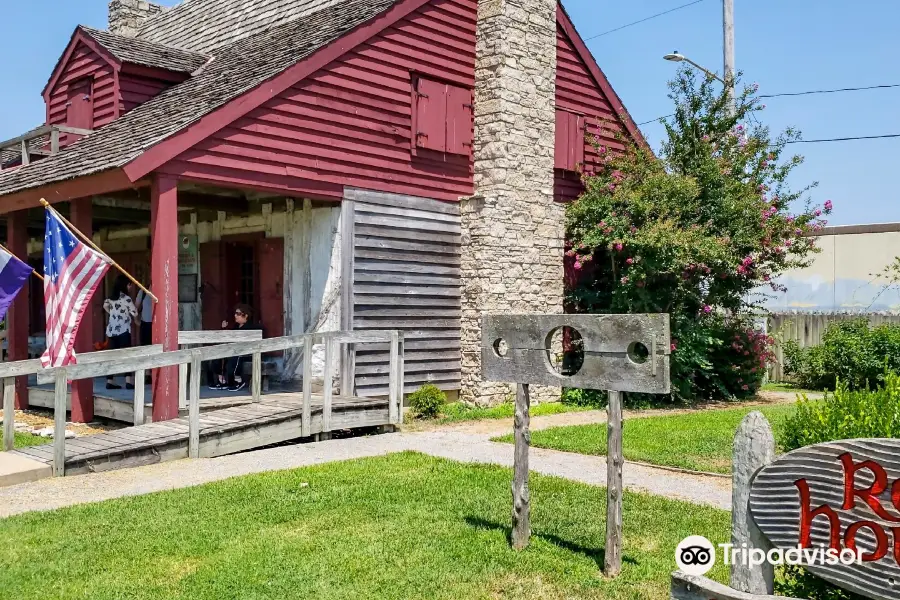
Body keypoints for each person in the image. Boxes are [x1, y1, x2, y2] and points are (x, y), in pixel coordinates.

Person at [211, 303, 261, 392]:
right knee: (218, 355)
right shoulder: (236, 326)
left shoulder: (251, 327)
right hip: (235, 350)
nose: (235, 315)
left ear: (245, 315)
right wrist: (224, 329)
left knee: (234, 358)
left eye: (238, 314)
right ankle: (222, 380)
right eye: (235, 313)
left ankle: (238, 381)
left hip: (247, 352)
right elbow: (229, 339)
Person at [103, 275, 138, 390]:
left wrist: (113, 314)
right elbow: (135, 313)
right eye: (129, 285)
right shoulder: (126, 299)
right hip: (123, 330)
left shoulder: (110, 298)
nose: (130, 287)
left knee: (111, 356)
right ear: (125, 285)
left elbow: (105, 306)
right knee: (126, 356)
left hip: (112, 331)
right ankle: (128, 381)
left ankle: (110, 380)